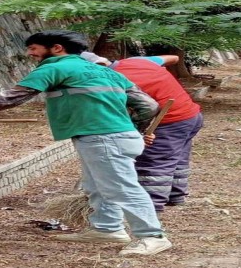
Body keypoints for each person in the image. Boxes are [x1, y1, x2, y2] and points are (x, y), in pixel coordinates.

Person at [0, 30, 172, 256]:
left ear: (57, 48)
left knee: (122, 188)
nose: (30, 54)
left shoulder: (55, 67)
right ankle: (107, 229)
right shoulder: (105, 71)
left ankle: (152, 236)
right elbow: (148, 104)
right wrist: (136, 130)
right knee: (97, 185)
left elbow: (7, 99)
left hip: (102, 137)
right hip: (115, 136)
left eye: (34, 48)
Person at [81, 52, 204, 212]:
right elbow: (173, 58)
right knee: (177, 157)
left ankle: (151, 206)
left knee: (154, 164)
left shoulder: (109, 81)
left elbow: (134, 111)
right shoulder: (137, 61)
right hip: (191, 116)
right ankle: (176, 196)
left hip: (167, 121)